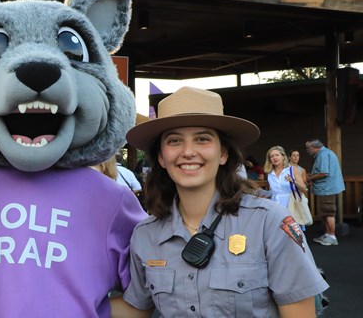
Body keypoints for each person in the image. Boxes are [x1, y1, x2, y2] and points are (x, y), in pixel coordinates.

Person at [116, 86, 327, 317]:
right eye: (174, 141)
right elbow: (136, 310)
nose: (188, 151)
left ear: (224, 153)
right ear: (161, 157)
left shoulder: (269, 222)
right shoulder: (145, 235)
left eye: (202, 139)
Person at [306, 138, 345, 246]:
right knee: (326, 212)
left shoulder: (323, 155)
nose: (307, 150)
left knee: (329, 212)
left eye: (308, 148)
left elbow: (324, 173)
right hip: (327, 188)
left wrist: (310, 178)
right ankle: (327, 234)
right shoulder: (325, 153)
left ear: (314, 147)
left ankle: (332, 236)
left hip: (327, 188)